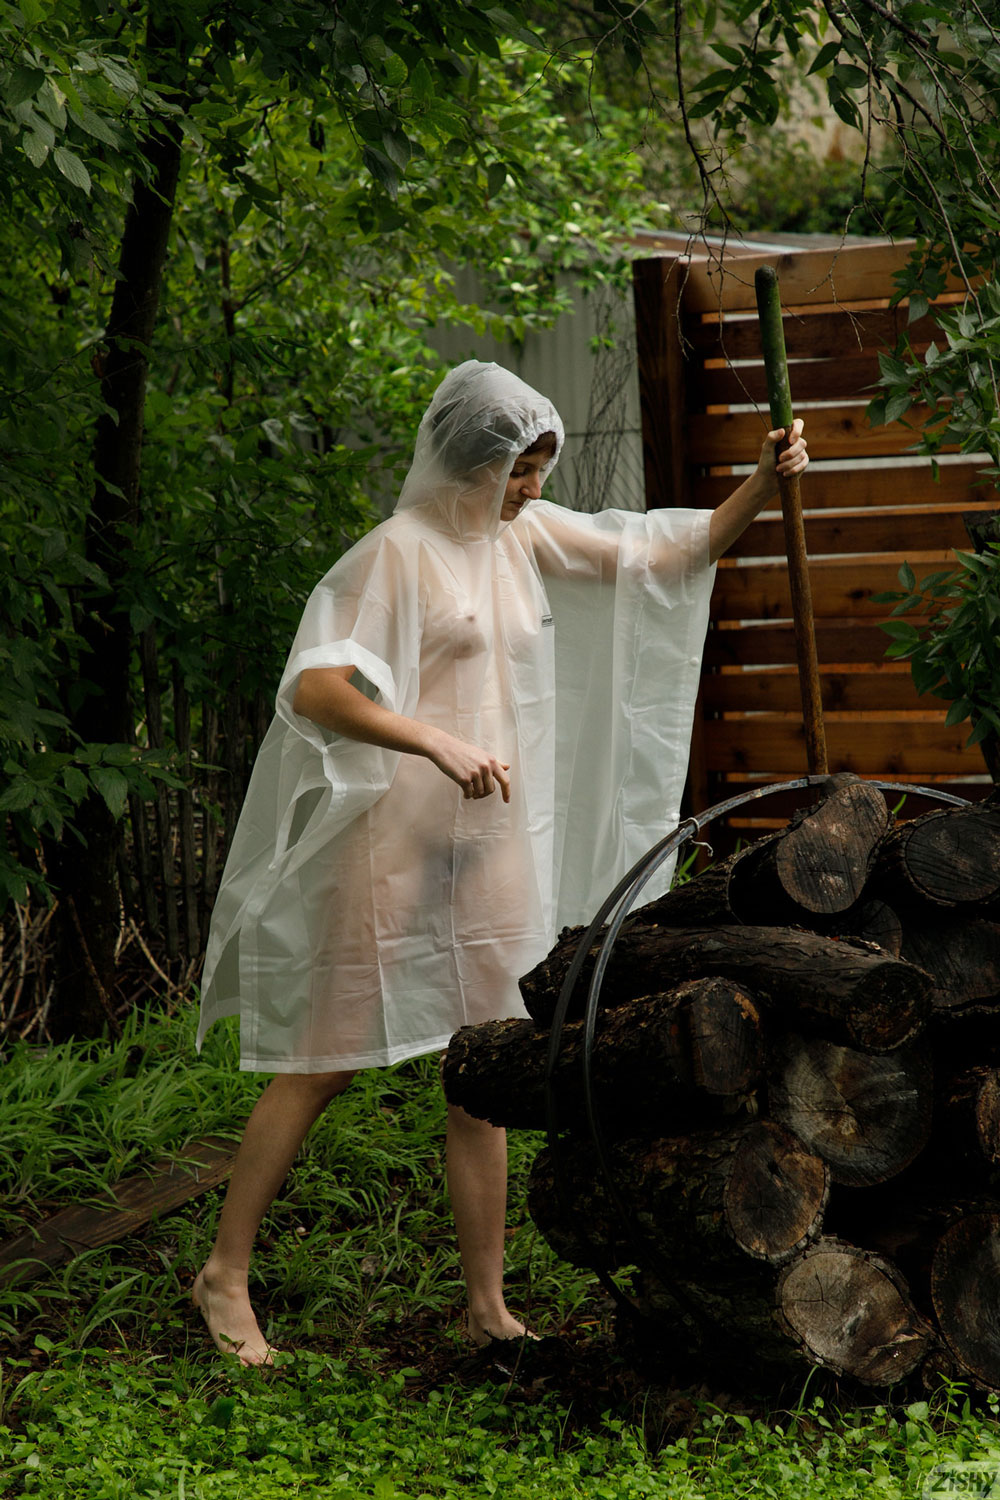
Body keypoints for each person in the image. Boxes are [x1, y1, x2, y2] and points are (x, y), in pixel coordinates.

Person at [193, 359, 808, 1364]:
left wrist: (761, 484)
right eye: (519, 470)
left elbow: (657, 555)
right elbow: (315, 691)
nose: (530, 491)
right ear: (472, 457)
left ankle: (487, 1302)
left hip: (490, 849)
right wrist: (429, 739)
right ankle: (223, 1275)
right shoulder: (394, 555)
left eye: (539, 471)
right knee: (324, 1064)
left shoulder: (519, 538)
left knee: (482, 1069)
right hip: (391, 844)